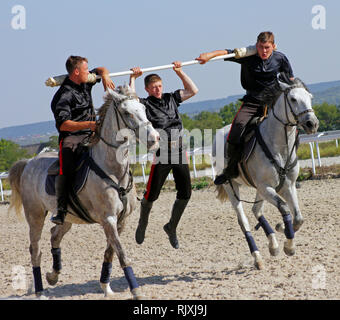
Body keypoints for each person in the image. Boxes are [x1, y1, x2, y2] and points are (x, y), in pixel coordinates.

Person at [196, 31, 294, 185]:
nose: (264, 51)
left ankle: (289, 170)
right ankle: (231, 169)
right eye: (261, 47)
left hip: (274, 101)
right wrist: (208, 55)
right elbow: (226, 53)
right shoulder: (247, 57)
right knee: (237, 127)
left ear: (273, 46)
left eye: (267, 47)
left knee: (293, 124)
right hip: (252, 101)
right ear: (256, 46)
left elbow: (290, 80)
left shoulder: (280, 58)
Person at [129, 61, 198, 249]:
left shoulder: (171, 98)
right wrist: (132, 78)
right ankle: (143, 222)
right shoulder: (145, 104)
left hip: (179, 150)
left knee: (186, 193)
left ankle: (171, 227)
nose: (157, 90)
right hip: (162, 152)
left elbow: (193, 90)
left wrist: (180, 72)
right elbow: (131, 100)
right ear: (147, 89)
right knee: (151, 194)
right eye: (153, 88)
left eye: (159, 86)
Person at [50, 55, 115, 225]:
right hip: (72, 138)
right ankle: (61, 209)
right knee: (67, 167)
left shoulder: (86, 81)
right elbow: (64, 125)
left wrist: (105, 76)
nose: (89, 71)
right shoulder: (62, 96)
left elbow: (101, 69)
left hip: (93, 131)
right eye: (86, 69)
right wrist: (90, 124)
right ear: (77, 71)